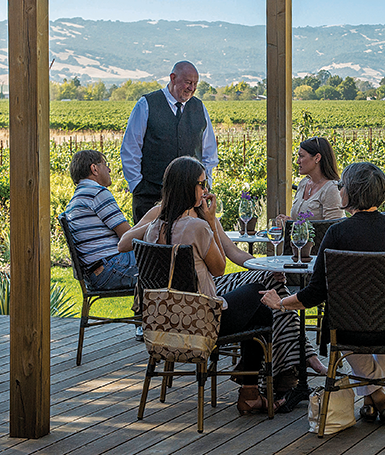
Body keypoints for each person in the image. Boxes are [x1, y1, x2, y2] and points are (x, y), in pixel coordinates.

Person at [260, 162, 385, 425]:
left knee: (345, 314)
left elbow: (315, 293)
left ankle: (377, 397)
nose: (338, 189)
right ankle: (375, 398)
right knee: (369, 317)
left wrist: (280, 304)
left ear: (351, 193)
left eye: (342, 185)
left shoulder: (338, 233)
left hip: (349, 328)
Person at [118, 156, 276, 415]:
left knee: (257, 306)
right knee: (261, 297)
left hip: (164, 322)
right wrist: (212, 222)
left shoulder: (151, 229)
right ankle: (252, 389)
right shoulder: (198, 227)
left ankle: (251, 390)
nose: (206, 190)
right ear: (188, 187)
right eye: (202, 184)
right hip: (201, 322)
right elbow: (220, 268)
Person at [269, 136, 342, 383]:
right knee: (269, 282)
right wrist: (288, 223)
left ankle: (298, 358)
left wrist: (298, 227)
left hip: (316, 267)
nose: (297, 161)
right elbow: (299, 223)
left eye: (301, 156)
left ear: (317, 158)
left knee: (273, 289)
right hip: (295, 259)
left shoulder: (332, 189)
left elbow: (333, 230)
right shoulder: (303, 185)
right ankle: (296, 356)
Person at [121, 61, 218, 223]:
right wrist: (137, 186)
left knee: (188, 246)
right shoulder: (146, 105)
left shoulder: (199, 108)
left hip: (190, 200)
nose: (192, 88)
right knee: (150, 245)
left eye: (195, 84)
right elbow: (130, 149)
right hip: (150, 196)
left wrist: (205, 184)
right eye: (188, 82)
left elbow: (209, 153)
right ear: (173, 78)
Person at [64, 150, 138, 292]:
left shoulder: (77, 198)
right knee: (168, 263)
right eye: (105, 165)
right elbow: (128, 238)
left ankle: (145, 312)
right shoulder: (97, 193)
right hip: (111, 270)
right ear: (94, 169)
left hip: (96, 274)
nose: (109, 169)